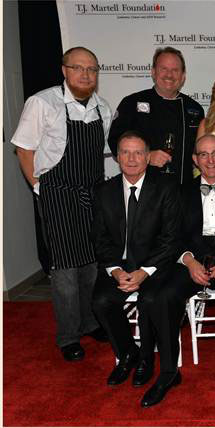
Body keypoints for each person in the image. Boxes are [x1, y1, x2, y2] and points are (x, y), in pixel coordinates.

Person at [11, 46, 112, 361]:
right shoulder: (42, 102)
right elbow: (24, 150)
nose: (85, 74)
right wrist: (40, 188)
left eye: (91, 69)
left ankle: (91, 322)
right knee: (66, 269)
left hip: (92, 193)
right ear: (64, 70)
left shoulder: (102, 107)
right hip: (57, 193)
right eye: (78, 67)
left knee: (92, 264)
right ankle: (69, 336)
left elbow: (101, 154)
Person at [145, 134, 215, 408]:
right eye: (204, 154)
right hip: (191, 263)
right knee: (163, 296)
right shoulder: (179, 192)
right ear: (195, 160)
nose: (211, 160)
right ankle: (169, 372)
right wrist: (189, 261)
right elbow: (170, 237)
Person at [91, 131, 181, 393]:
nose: (132, 159)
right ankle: (129, 352)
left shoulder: (166, 188)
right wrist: (116, 271)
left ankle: (148, 360)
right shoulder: (104, 191)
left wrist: (144, 272)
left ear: (147, 156)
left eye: (138, 152)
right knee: (101, 301)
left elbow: (171, 238)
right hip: (118, 267)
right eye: (126, 153)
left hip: (156, 267)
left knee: (149, 300)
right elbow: (99, 238)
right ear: (117, 157)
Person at [108, 46, 204, 185]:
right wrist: (146, 156)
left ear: (183, 76)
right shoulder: (131, 103)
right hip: (144, 191)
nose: (169, 75)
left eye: (175, 70)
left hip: (183, 190)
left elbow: (200, 150)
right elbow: (114, 142)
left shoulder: (194, 108)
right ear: (153, 72)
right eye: (163, 69)